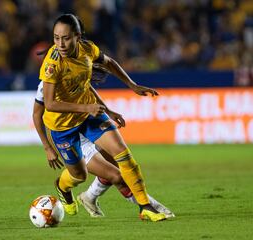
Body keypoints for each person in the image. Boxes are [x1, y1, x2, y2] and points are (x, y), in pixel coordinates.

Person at [39, 13, 165, 222]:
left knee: (122, 154)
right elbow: (50, 104)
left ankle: (145, 207)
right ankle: (62, 186)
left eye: (66, 38)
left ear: (78, 37)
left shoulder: (87, 49)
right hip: (62, 128)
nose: (60, 43)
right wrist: (85, 108)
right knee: (79, 175)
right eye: (56, 38)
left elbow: (109, 63)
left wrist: (132, 86)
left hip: (89, 116)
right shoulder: (52, 65)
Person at [33, 81, 175, 218]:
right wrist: (47, 147)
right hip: (69, 134)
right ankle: (62, 186)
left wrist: (108, 110)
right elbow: (37, 114)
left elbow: (89, 87)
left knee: (121, 161)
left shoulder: (76, 67)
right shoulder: (47, 82)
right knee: (108, 176)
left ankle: (91, 197)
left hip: (89, 122)